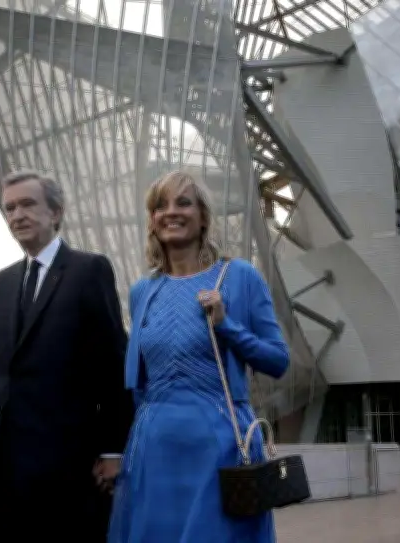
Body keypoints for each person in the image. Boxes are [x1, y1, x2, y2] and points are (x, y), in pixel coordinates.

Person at [108, 170, 290, 543]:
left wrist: (227, 326)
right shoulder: (143, 290)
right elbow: (138, 381)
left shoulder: (239, 277)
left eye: (183, 202)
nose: (170, 212)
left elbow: (277, 360)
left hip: (220, 446)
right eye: (160, 205)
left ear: (203, 216)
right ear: (152, 220)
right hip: (154, 448)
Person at [0, 170, 135, 542]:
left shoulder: (89, 270)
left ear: (56, 213)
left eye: (27, 204)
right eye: (10, 208)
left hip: (69, 465)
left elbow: (115, 366)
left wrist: (113, 449)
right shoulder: (0, 283)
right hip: (3, 466)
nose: (17, 215)